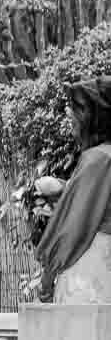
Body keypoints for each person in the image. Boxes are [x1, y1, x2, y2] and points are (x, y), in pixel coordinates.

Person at [36, 78, 111, 304]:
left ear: (94, 118)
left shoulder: (97, 160)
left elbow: (71, 228)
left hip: (89, 271)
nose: (70, 115)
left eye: (77, 112)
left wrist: (47, 279)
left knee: (82, 338)